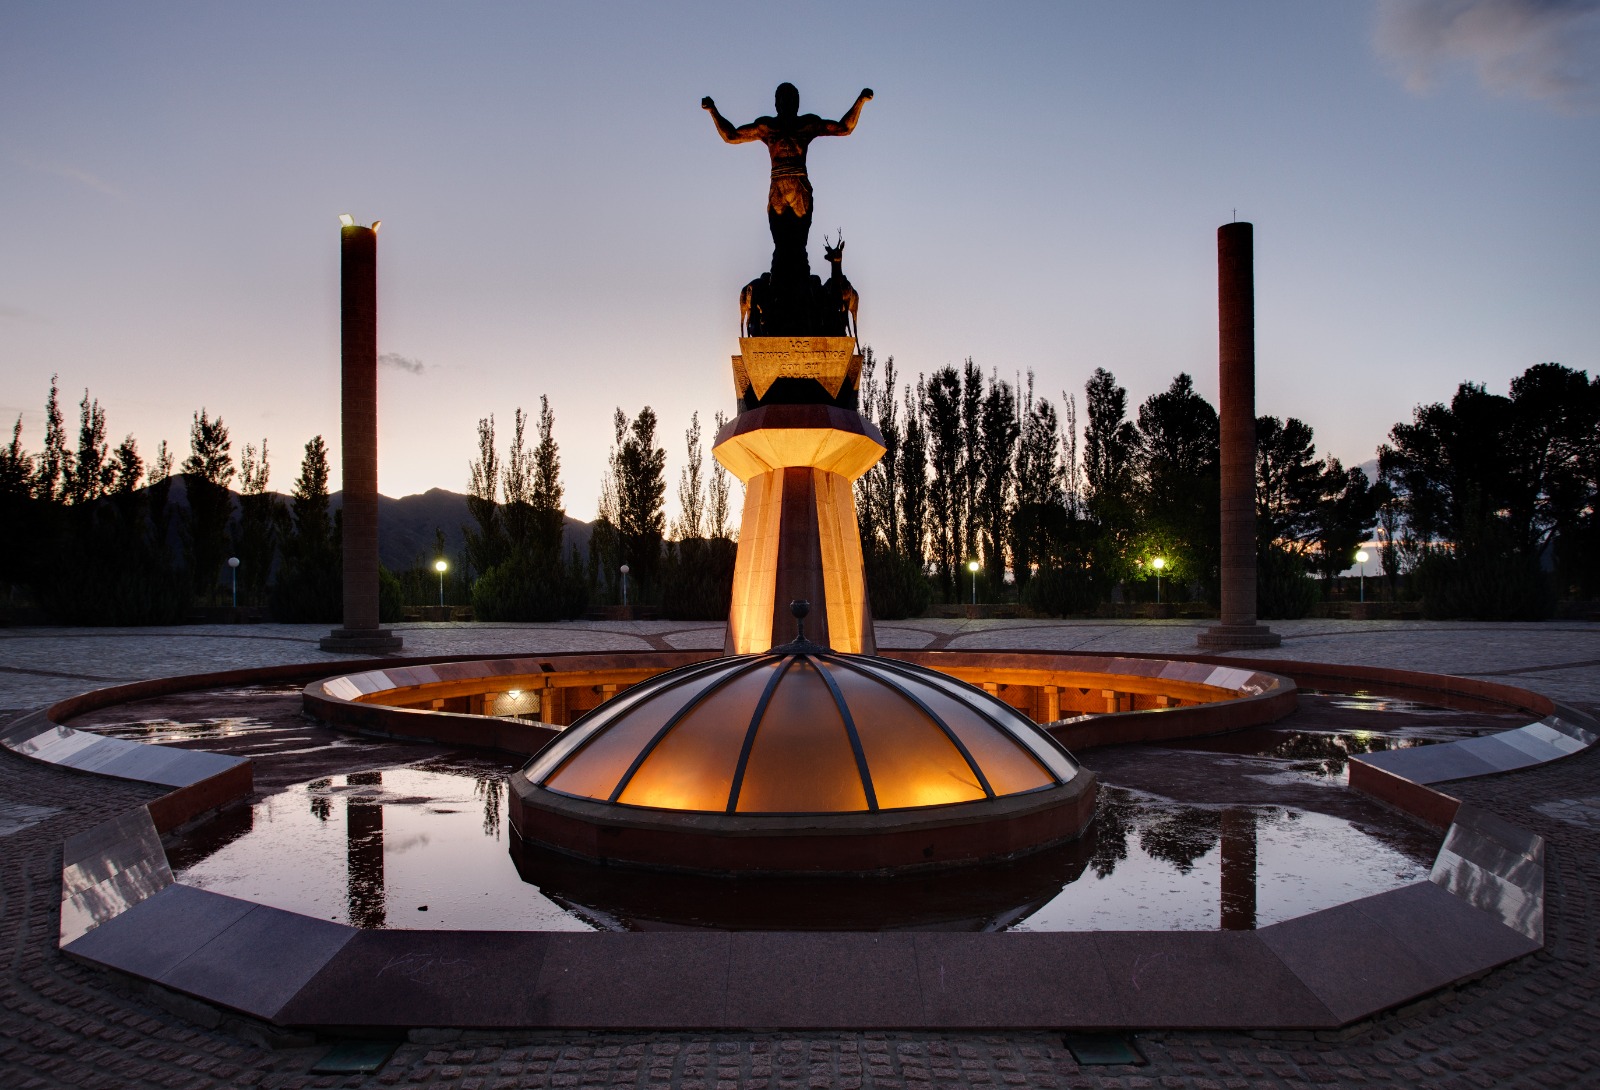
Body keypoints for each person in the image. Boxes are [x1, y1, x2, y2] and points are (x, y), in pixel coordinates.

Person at [702, 83, 872, 274]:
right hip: (778, 185)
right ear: (777, 103)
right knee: (781, 244)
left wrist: (860, 101)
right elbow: (731, 136)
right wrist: (713, 110)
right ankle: (779, 279)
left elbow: (844, 128)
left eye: (792, 99)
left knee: (799, 244)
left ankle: (801, 279)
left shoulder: (807, 124)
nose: (788, 103)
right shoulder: (766, 127)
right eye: (784, 99)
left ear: (797, 103)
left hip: (799, 184)